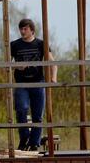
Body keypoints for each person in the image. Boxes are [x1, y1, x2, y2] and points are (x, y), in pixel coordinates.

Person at [11, 18, 57, 151]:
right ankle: (24, 136)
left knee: (37, 115)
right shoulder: (14, 45)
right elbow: (6, 64)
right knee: (21, 109)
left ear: (32, 30)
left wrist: (53, 77)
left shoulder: (41, 44)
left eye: (25, 29)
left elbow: (52, 62)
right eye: (21, 29)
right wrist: (17, 66)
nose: (22, 31)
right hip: (21, 83)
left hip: (38, 81)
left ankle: (34, 143)